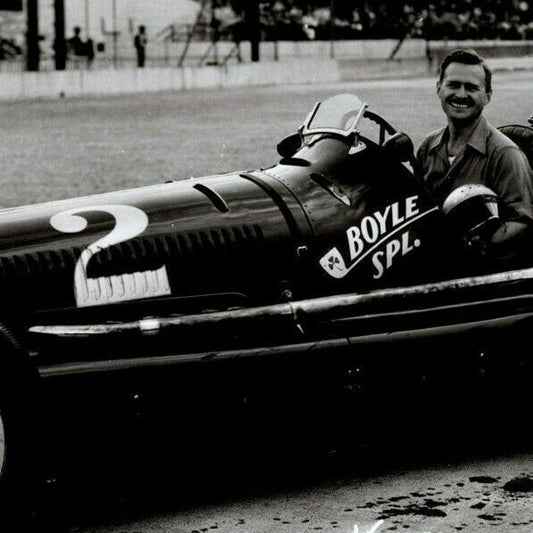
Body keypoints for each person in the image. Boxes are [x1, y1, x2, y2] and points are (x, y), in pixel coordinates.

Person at [417, 48, 533, 261]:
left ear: (488, 96)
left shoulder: (505, 154)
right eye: (453, 85)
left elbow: (524, 222)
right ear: (439, 88)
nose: (461, 94)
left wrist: (484, 244)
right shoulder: (427, 146)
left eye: (471, 88)